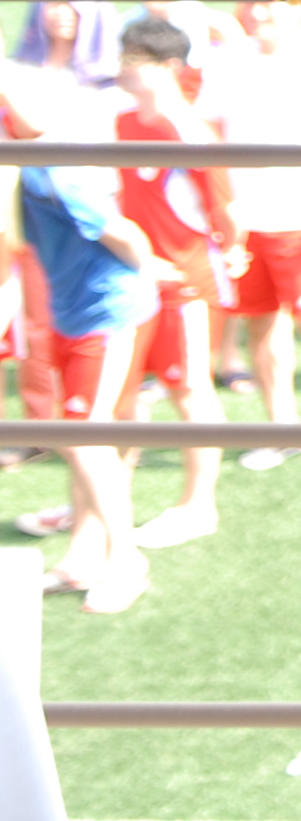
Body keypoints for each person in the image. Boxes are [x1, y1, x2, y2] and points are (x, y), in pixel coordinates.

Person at [2, 58, 159, 613]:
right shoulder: (30, 161)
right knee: (85, 437)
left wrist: (147, 270)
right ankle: (82, 556)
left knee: (85, 436)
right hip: (77, 313)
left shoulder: (54, 166)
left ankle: (128, 562)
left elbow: (122, 232)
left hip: (106, 313)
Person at [201, 0, 301, 465]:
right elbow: (211, 133)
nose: (259, 13)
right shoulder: (224, 62)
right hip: (245, 221)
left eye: (271, 3)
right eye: (252, 2)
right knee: (262, 325)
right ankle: (282, 427)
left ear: (297, 6)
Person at [108, 17, 229, 548]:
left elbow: (224, 209)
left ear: (170, 68)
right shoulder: (123, 122)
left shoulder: (191, 133)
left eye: (136, 61)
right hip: (133, 280)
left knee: (189, 390)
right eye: (125, 58)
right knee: (121, 396)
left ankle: (198, 506)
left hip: (184, 285)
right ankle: (105, 500)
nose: (124, 70)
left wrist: (207, 264)